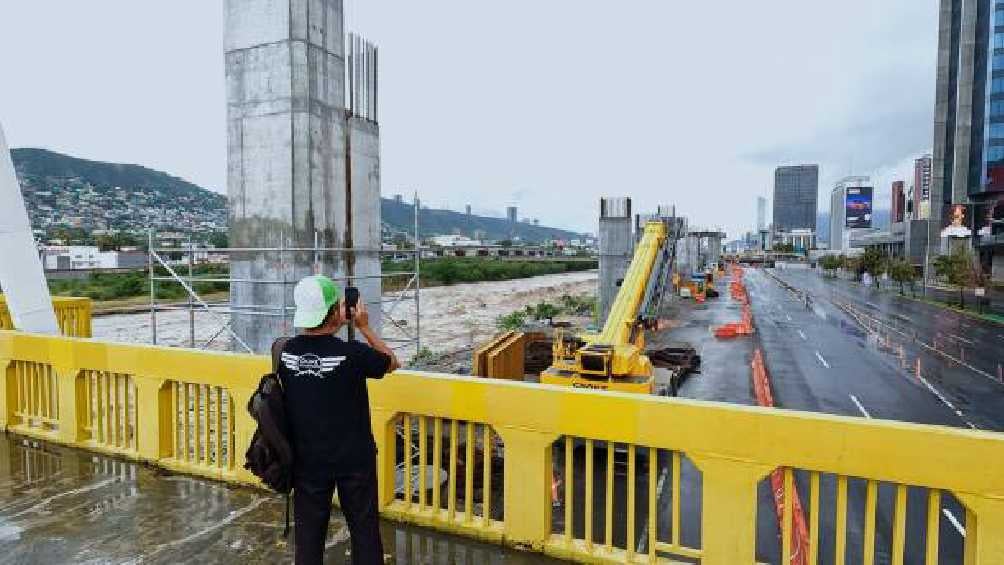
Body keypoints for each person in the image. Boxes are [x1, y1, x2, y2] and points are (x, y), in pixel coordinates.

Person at [279, 275, 400, 565]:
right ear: (336, 312)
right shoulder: (353, 354)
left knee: (308, 537)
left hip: (307, 460)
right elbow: (392, 362)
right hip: (353, 460)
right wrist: (363, 326)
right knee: (364, 530)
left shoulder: (284, 352)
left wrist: (336, 323)